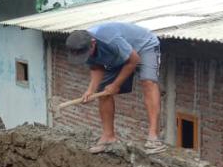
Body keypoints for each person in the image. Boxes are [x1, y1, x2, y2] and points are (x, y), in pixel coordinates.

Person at [66, 22, 165, 154]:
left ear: (93, 43)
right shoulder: (83, 47)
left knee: (148, 82)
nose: (84, 57)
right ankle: (108, 137)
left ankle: (154, 138)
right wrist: (90, 91)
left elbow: (133, 60)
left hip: (143, 46)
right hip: (119, 55)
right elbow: (96, 68)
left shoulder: (109, 39)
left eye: (85, 54)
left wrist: (116, 85)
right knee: (103, 92)